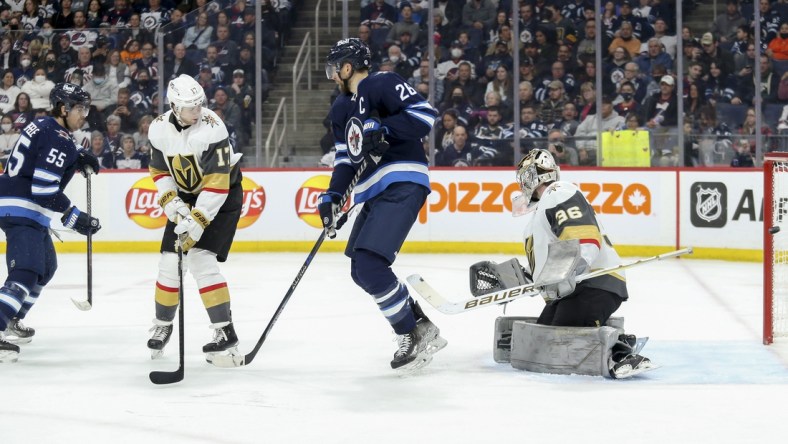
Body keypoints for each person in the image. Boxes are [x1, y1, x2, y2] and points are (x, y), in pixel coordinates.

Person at [318, 38, 446, 372]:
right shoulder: (341, 110)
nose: (332, 76)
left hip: (403, 179)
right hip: (372, 190)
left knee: (371, 264)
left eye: (334, 68)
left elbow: (425, 115)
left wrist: (386, 127)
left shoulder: (383, 82)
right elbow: (346, 160)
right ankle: (418, 325)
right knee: (360, 269)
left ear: (347, 67)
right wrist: (333, 197)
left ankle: (412, 333)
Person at [511, 149, 654, 378]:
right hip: (573, 290)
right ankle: (611, 334)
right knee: (543, 340)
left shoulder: (557, 192)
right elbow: (551, 260)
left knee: (560, 344)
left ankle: (620, 351)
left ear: (531, 177)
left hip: (594, 284)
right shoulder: (544, 208)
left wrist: (571, 272)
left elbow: (585, 239)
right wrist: (519, 279)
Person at [0, 83, 101, 362]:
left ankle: (12, 318)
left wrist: (77, 158)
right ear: (63, 108)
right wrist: (74, 216)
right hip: (22, 208)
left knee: (45, 267)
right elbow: (43, 190)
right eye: (80, 108)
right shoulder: (58, 138)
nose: (84, 114)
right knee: (27, 270)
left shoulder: (44, 126)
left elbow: (39, 158)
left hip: (22, 206)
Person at [145, 74, 243, 362]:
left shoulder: (212, 127)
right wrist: (173, 204)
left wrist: (197, 221)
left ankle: (225, 330)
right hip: (186, 196)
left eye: (200, 105)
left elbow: (217, 184)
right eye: (191, 107)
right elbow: (160, 173)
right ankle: (162, 326)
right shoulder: (159, 129)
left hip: (222, 196)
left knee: (200, 258)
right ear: (174, 107)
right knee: (169, 262)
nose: (198, 112)